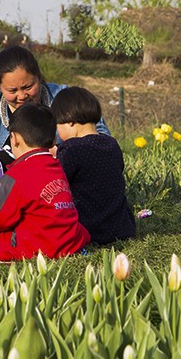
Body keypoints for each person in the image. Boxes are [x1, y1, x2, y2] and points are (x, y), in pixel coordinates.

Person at [0, 103, 90, 260]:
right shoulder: (57, 166)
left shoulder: (16, 174)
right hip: (69, 242)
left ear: (14, 139)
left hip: (37, 247)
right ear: (53, 140)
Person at [0, 45, 109, 151]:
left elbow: (101, 139)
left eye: (28, 87)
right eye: (12, 90)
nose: (22, 96)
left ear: (39, 78)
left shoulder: (65, 98)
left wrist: (62, 153)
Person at [50, 86, 136, 245]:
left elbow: (58, 184)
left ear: (70, 122)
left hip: (89, 229)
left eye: (57, 126)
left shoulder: (70, 149)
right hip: (122, 227)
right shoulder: (111, 144)